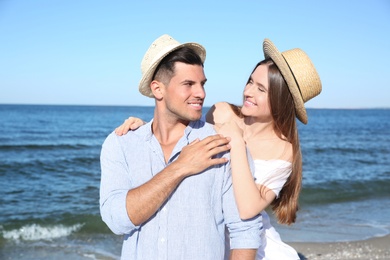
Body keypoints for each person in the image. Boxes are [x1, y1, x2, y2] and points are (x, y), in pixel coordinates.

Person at [115, 38, 322, 259]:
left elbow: (247, 208)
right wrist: (148, 129)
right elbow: (187, 137)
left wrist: (237, 142)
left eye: (261, 89)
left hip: (256, 248)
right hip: (214, 242)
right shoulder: (222, 112)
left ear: (282, 100)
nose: (248, 91)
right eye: (250, 81)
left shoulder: (283, 149)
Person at [99, 34, 262, 260]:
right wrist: (180, 167)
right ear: (158, 90)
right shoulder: (121, 144)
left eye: (202, 84)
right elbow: (116, 220)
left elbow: (245, 231)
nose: (201, 94)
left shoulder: (222, 144)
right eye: (188, 84)